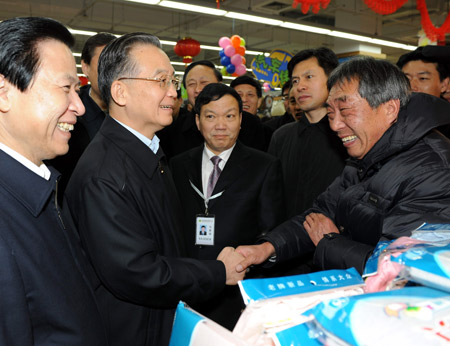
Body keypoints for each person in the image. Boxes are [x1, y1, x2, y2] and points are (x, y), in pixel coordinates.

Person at [64, 32, 245, 346]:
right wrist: (217, 272)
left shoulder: (148, 154)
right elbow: (138, 273)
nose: (173, 93)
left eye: (172, 82)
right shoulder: (104, 174)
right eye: (161, 81)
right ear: (120, 91)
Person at [235, 57, 450, 276]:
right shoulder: (365, 157)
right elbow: (320, 214)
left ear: (389, 108)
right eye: (330, 113)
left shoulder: (433, 171)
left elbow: (403, 267)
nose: (335, 125)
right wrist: (266, 248)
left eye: (346, 111)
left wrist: (330, 242)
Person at [0, 16, 107, 345]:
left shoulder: (43, 187)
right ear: (3, 94)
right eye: (66, 88)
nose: (78, 105)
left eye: (78, 90)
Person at [170, 83, 285, 329]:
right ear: (198, 121)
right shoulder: (177, 165)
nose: (220, 125)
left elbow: (270, 234)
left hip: (236, 294)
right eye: (210, 116)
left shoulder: (263, 166)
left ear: (241, 120)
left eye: (230, 116)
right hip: (187, 287)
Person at [268, 47, 347, 220]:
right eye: (295, 81)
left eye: (309, 77)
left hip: (333, 240)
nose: (300, 87)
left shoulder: (347, 136)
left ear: (332, 80)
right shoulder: (281, 137)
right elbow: (271, 195)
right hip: (283, 239)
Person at [48, 32, 116, 203]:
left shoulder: (133, 116)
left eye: (118, 65)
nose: (112, 73)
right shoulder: (69, 119)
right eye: (103, 64)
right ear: (85, 67)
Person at [158, 60, 270, 158]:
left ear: (220, 84)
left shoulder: (250, 124)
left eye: (204, 83)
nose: (197, 89)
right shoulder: (172, 131)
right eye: (191, 84)